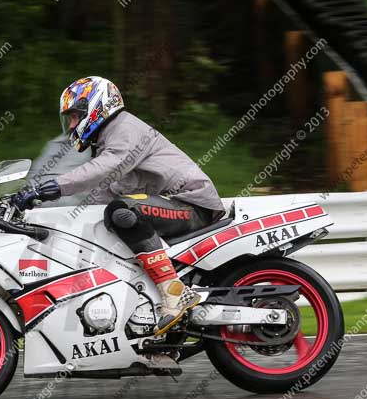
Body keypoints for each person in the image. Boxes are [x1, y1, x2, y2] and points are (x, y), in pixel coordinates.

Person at [13, 76, 225, 336]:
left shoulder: (124, 128)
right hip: (170, 206)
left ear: (95, 107)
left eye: (74, 116)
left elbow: (103, 170)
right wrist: (43, 214)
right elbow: (101, 196)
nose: (70, 126)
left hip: (192, 204)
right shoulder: (108, 140)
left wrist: (51, 187)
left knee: (121, 211)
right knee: (110, 219)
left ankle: (174, 292)